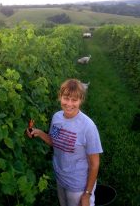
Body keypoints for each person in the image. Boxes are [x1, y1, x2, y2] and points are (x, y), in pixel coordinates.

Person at [26, 78, 103, 206]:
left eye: (74, 100)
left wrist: (87, 194)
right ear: (60, 97)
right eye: (66, 98)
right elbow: (54, 141)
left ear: (81, 100)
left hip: (78, 184)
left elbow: (95, 164)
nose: (69, 104)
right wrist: (38, 132)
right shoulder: (57, 117)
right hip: (60, 177)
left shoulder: (88, 127)